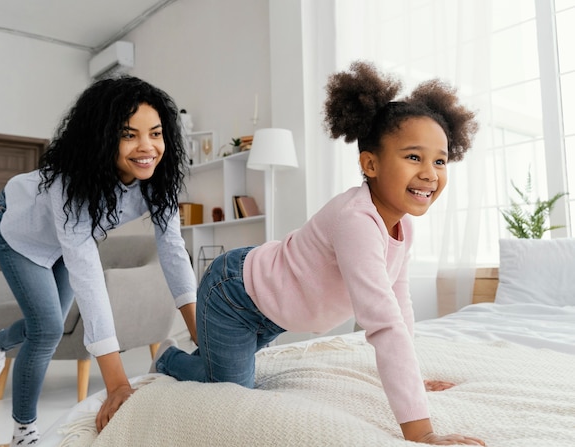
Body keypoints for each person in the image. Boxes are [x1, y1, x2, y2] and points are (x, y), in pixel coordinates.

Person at [153, 61, 485, 445]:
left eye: (440, 160)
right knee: (230, 392)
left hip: (271, 312)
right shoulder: (356, 221)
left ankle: (195, 358)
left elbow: (399, 306)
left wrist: (413, 379)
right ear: (370, 163)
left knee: (224, 368)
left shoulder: (403, 227)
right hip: (235, 296)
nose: (430, 172)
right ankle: (167, 358)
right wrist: (421, 430)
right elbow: (382, 325)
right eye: (414, 157)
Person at [0, 76, 198, 446]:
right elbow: (88, 275)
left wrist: (199, 333)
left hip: (65, 242)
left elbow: (174, 252)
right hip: (19, 229)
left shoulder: (157, 181)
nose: (147, 147)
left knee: (45, 324)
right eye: (129, 135)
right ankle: (23, 434)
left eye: (156, 133)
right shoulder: (72, 183)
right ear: (101, 139)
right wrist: (117, 385)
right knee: (48, 329)